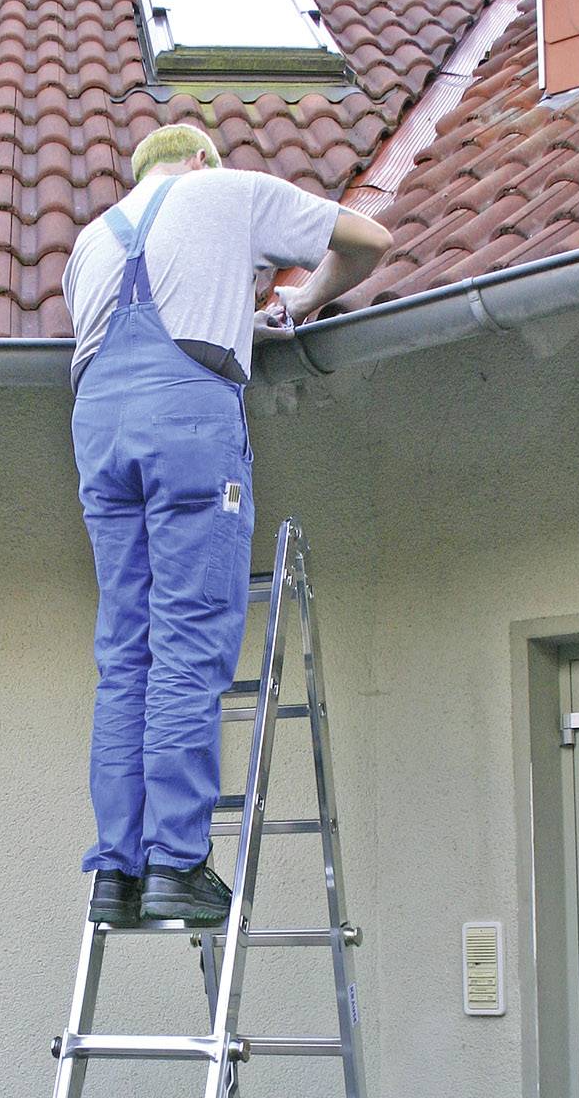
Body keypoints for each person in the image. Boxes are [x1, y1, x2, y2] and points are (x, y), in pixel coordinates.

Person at [62, 122, 392, 928]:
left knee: (124, 650)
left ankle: (119, 870)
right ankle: (178, 863)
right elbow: (366, 239)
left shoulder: (89, 242)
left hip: (98, 426)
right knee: (186, 640)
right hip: (186, 421)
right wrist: (300, 300)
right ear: (200, 158)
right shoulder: (227, 188)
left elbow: (175, 298)